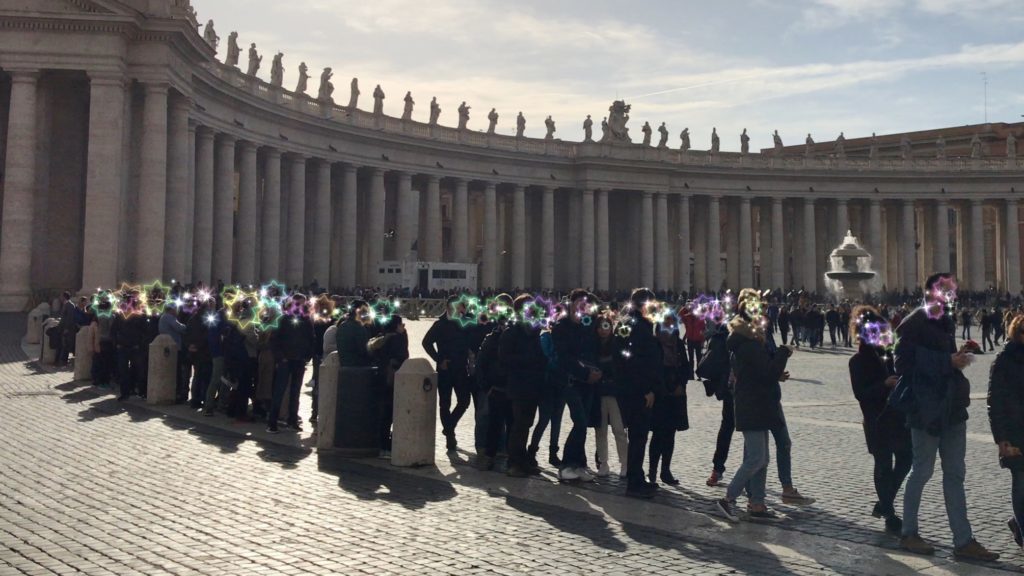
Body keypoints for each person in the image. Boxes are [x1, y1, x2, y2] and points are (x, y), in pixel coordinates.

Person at [895, 273, 998, 560]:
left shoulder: (945, 320)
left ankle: (963, 541)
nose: (951, 296)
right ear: (930, 293)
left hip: (951, 407)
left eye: (952, 291)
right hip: (925, 409)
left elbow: (940, 360)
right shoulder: (914, 321)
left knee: (955, 474)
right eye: (945, 291)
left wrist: (958, 358)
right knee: (922, 471)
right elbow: (901, 362)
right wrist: (946, 361)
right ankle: (909, 532)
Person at [716, 289, 792, 522]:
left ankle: (757, 504)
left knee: (762, 458)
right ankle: (727, 499)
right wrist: (783, 353)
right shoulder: (748, 345)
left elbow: (759, 373)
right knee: (756, 458)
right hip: (753, 405)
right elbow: (767, 372)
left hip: (758, 403)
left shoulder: (746, 342)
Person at [848, 306, 910, 533]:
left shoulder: (889, 354)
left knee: (907, 458)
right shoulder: (857, 361)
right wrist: (884, 385)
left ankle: (884, 503)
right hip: (875, 418)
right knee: (883, 465)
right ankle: (890, 514)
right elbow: (860, 393)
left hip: (896, 415)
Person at [551, 290, 602, 482]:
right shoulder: (561, 326)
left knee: (583, 423)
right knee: (580, 422)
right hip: (569, 381)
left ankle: (579, 464)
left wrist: (597, 371)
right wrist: (585, 373)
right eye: (579, 303)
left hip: (588, 382)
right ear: (571, 303)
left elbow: (593, 351)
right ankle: (566, 466)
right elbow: (564, 358)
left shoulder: (588, 326)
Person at [501, 295, 548, 477]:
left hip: (534, 385)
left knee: (526, 424)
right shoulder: (511, 333)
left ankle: (523, 461)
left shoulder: (533, 333)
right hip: (518, 385)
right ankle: (514, 463)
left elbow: (539, 355)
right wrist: (529, 360)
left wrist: (542, 361)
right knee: (519, 425)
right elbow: (505, 359)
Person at [620, 288, 661, 499]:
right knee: (638, 437)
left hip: (630, 389)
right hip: (638, 391)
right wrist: (646, 389)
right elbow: (634, 361)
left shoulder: (627, 323)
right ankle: (634, 484)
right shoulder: (639, 327)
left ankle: (637, 477)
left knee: (637, 437)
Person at [989, 313, 1024, 551]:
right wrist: (1001, 438)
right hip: (1015, 432)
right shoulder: (1004, 360)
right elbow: (995, 402)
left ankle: (1017, 524)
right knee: (1021, 483)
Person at [422, 296, 474, 451]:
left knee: (464, 401)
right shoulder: (440, 324)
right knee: (445, 403)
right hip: (445, 368)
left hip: (461, 368)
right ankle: (450, 436)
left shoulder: (465, 322)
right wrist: (439, 359)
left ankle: (449, 427)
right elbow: (426, 342)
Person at [650, 314, 689, 486]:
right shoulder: (654, 345)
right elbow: (652, 371)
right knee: (658, 434)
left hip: (677, 395)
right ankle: (652, 471)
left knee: (670, 434)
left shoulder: (678, 344)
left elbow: (687, 366)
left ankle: (666, 470)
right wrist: (665, 387)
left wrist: (681, 383)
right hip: (660, 395)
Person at [267, 294, 315, 434]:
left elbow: (311, 339)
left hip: (299, 360)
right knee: (279, 391)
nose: (300, 307)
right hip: (286, 360)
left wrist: (307, 356)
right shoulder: (283, 319)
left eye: (303, 304)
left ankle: (292, 420)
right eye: (298, 304)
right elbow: (274, 340)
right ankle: (272, 422)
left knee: (295, 392)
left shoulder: (306, 321)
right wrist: (281, 358)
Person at [590, 312, 628, 478]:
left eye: (606, 326)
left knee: (619, 430)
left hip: (615, 392)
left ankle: (625, 463)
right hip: (598, 392)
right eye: (600, 327)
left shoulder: (617, 344)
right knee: (601, 430)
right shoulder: (594, 345)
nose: (603, 330)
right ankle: (603, 463)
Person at [369, 315, 409, 458]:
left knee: (383, 413)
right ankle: (386, 446)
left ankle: (381, 445)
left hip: (381, 378)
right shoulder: (397, 340)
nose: (403, 327)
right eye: (401, 324)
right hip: (392, 380)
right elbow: (404, 357)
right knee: (390, 414)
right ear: (396, 325)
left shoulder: (381, 339)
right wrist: (404, 336)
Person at [699, 316, 732, 487]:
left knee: (727, 429)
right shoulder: (727, 335)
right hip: (735, 391)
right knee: (730, 429)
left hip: (736, 390)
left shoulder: (725, 331)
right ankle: (718, 468)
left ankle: (718, 469)